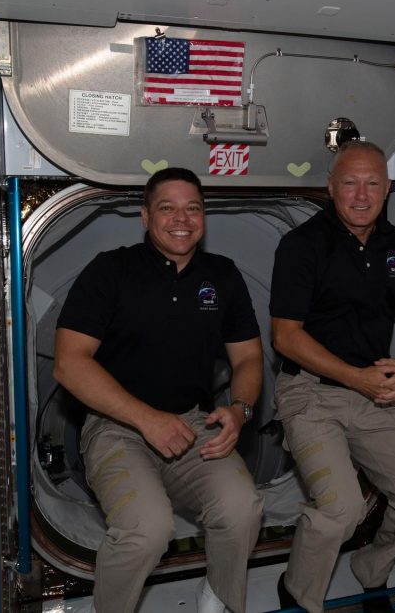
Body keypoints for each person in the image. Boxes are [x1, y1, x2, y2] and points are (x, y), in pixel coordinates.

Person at [53, 167, 263, 613]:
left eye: (193, 208)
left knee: (242, 507)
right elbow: (70, 365)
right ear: (146, 217)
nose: (181, 219)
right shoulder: (111, 270)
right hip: (116, 427)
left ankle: (219, 600)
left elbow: (247, 359)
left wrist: (240, 408)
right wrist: (147, 420)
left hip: (192, 421)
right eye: (167, 208)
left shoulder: (222, 276)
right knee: (147, 527)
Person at [269, 141, 395, 613]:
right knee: (341, 509)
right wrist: (355, 378)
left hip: (377, 390)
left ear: (388, 188)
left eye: (373, 182)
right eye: (350, 182)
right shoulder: (302, 246)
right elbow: (286, 338)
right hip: (311, 391)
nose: (362, 194)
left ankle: (372, 566)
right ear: (331, 188)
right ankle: (298, 594)